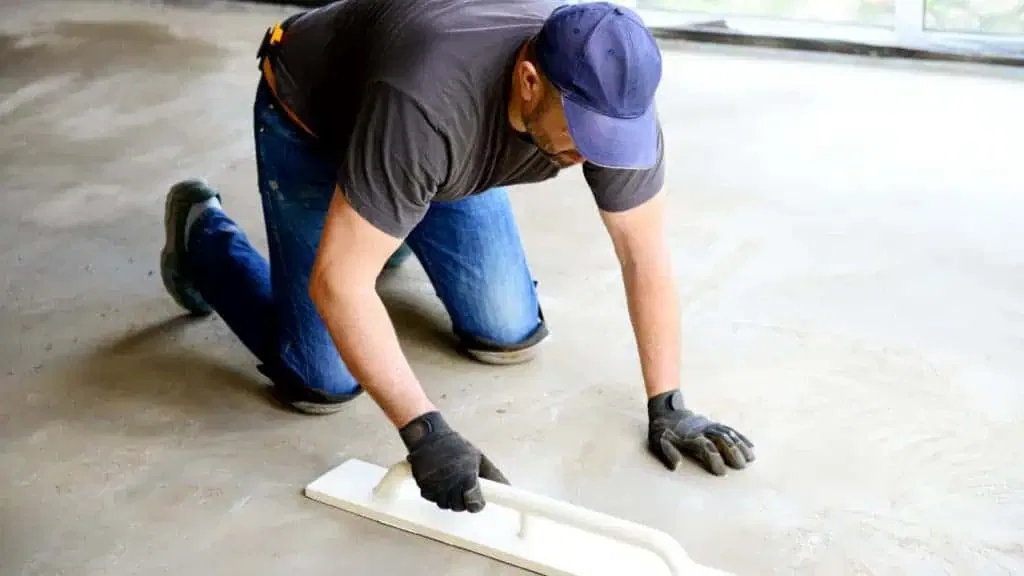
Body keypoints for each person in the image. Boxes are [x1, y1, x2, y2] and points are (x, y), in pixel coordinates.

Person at [159, 0, 755, 513]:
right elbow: (338, 284)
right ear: (528, 80)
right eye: (583, 133)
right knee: (321, 382)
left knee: (508, 333)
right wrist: (425, 433)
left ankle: (385, 218)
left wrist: (669, 403)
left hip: (427, 154)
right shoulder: (428, 105)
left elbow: (643, 255)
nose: (595, 154)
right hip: (316, 118)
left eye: (610, 137)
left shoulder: (612, 96)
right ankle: (200, 237)